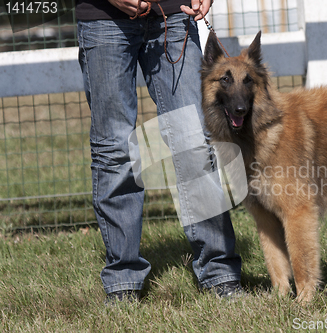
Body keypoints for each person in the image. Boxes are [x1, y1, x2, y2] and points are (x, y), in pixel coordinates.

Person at [75, 0, 243, 303]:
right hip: (104, 19)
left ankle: (220, 274)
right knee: (115, 151)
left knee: (194, 142)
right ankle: (123, 281)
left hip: (174, 16)